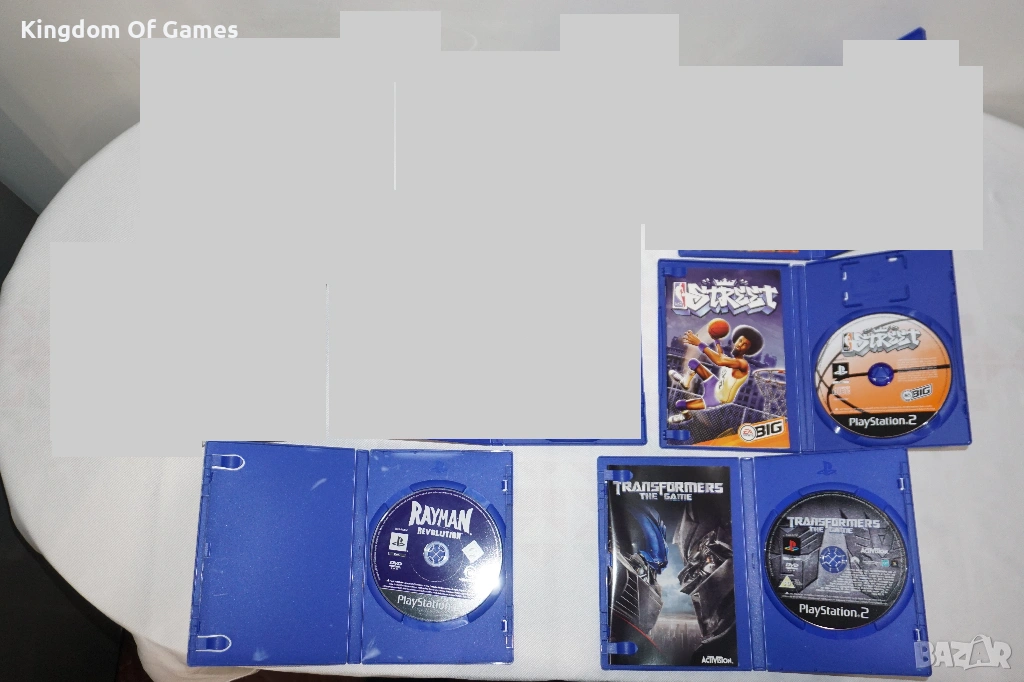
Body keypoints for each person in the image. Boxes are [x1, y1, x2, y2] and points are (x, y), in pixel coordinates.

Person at [668, 325, 763, 424]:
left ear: (748, 350)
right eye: (740, 341)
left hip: (717, 398)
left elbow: (719, 360)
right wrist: (716, 340)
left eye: (744, 344)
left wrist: (699, 343)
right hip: (715, 385)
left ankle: (687, 416)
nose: (739, 345)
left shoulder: (742, 364)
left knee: (680, 405)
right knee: (693, 363)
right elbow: (721, 356)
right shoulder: (733, 360)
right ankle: (685, 383)